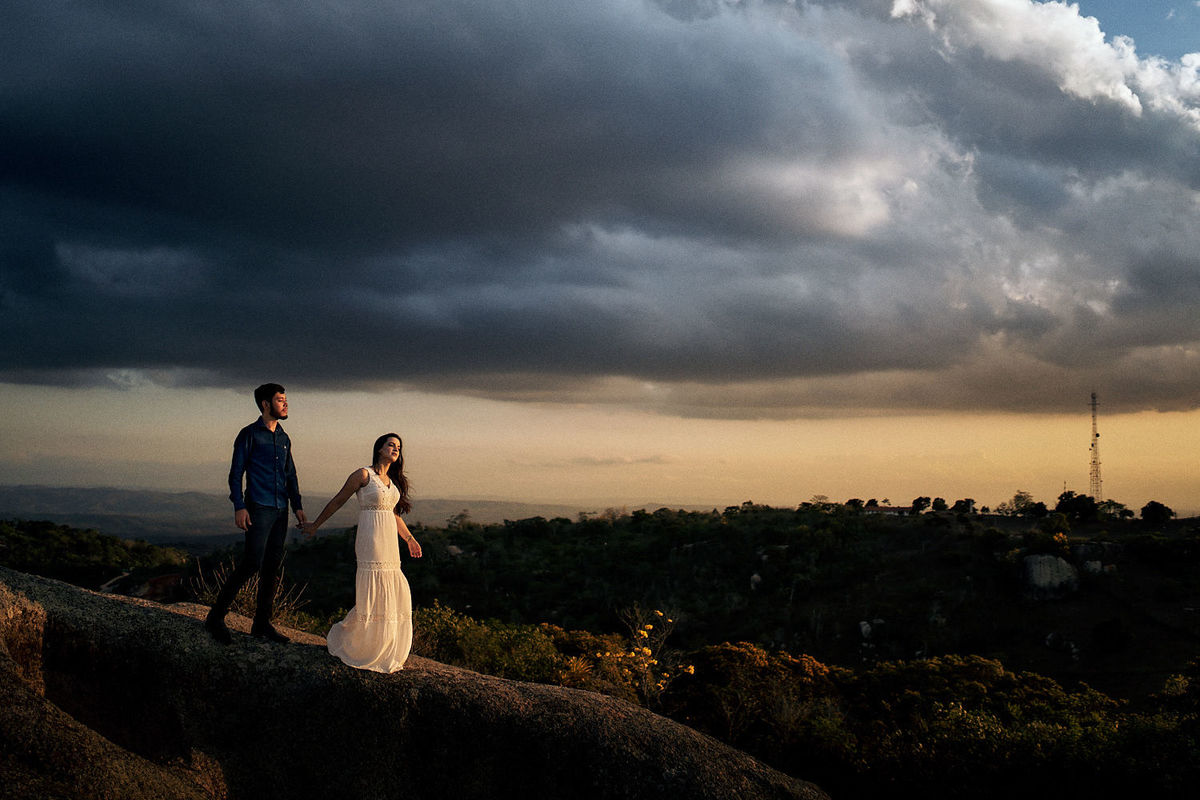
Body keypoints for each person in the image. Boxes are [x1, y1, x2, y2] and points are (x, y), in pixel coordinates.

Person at [302, 433, 422, 673]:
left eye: (399, 446)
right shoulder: (364, 475)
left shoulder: (392, 481)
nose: (396, 449)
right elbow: (339, 500)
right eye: (391, 444)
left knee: (393, 584)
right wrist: (315, 525)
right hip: (371, 538)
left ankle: (384, 646)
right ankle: (364, 644)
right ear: (379, 449)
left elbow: (394, 515)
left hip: (390, 541)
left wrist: (409, 539)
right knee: (376, 588)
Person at [205, 382, 307, 645]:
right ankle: (215, 617)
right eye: (280, 400)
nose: (286, 404)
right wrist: (239, 506)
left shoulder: (284, 438)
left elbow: (290, 475)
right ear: (265, 404)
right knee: (251, 563)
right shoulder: (249, 434)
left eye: (285, 400)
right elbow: (236, 473)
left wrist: (297, 506)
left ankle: (261, 624)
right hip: (258, 507)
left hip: (280, 509)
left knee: (271, 567)